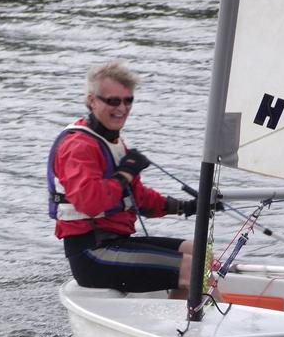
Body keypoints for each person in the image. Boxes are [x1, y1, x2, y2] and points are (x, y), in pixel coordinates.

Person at [47, 60, 199, 300]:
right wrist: (125, 173)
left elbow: (137, 198)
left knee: (201, 253)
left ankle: (180, 328)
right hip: (92, 253)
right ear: (92, 101)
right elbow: (89, 202)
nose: (122, 108)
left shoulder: (110, 142)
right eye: (113, 100)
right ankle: (220, 332)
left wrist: (186, 207)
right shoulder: (78, 146)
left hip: (117, 243)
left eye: (128, 100)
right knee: (195, 270)